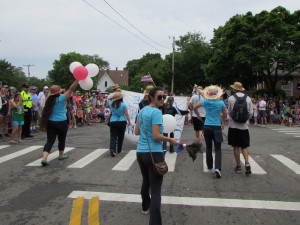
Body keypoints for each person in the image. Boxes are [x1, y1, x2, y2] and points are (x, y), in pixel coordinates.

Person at [134, 87, 177, 225]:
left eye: (163, 97)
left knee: (146, 181)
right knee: (156, 190)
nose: (162, 99)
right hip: (154, 153)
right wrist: (170, 140)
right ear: (151, 97)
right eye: (159, 97)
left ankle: (145, 206)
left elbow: (136, 131)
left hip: (141, 152)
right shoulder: (156, 112)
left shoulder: (142, 111)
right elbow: (156, 136)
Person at [39, 80, 79, 166]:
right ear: (58, 92)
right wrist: (77, 80)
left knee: (49, 141)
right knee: (61, 139)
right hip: (61, 122)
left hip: (51, 122)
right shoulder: (61, 98)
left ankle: (44, 158)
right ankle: (61, 155)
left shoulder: (48, 100)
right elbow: (71, 89)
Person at [194, 85, 227, 178]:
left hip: (207, 126)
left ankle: (209, 167)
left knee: (208, 147)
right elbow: (225, 115)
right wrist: (221, 116)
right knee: (218, 148)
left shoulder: (206, 102)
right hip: (217, 127)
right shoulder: (221, 103)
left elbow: (194, 107)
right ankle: (217, 167)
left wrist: (198, 115)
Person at [227, 82, 253, 175]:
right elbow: (250, 113)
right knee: (244, 146)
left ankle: (238, 166)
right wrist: (245, 119)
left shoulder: (231, 98)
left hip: (233, 125)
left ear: (234, 89)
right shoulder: (248, 98)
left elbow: (229, 111)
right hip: (244, 126)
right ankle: (246, 162)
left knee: (236, 146)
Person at [108, 92, 131, 156]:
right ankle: (119, 150)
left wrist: (112, 97)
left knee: (113, 136)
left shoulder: (111, 104)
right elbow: (126, 114)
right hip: (122, 121)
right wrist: (129, 121)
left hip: (113, 120)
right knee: (121, 136)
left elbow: (108, 99)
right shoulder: (123, 105)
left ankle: (112, 149)